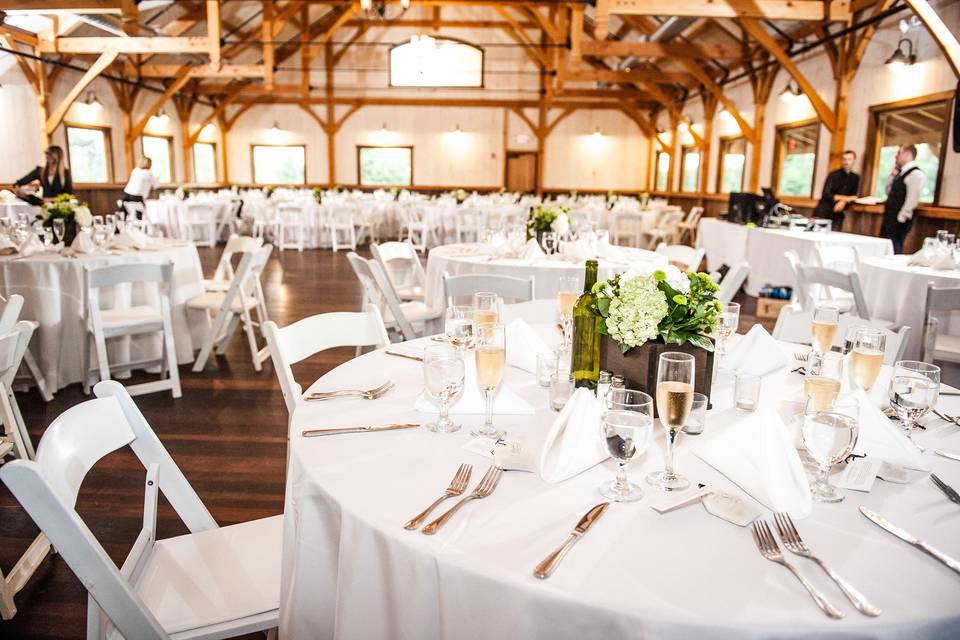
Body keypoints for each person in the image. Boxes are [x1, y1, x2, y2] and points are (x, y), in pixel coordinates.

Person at [880, 144, 926, 254]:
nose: (896, 157)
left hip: (899, 220)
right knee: (885, 249)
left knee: (895, 249)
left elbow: (912, 199)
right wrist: (892, 176)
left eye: (898, 153)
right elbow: (888, 192)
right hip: (889, 217)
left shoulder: (916, 174)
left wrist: (900, 218)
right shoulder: (900, 173)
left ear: (908, 155)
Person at [814, 150, 860, 231]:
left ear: (854, 160)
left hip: (838, 213)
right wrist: (847, 198)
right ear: (842, 161)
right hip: (824, 212)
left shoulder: (855, 177)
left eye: (849, 159)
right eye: (844, 159)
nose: (847, 162)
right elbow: (826, 194)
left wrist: (843, 201)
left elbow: (854, 196)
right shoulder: (833, 175)